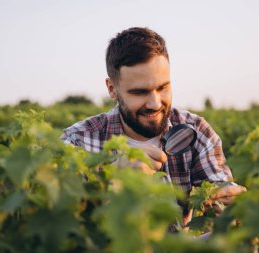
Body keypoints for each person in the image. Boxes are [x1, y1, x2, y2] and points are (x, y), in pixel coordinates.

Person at [61, 27, 246, 226]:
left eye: (162, 87)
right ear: (112, 90)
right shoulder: (77, 141)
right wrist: (111, 182)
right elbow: (68, 221)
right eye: (140, 92)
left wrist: (227, 200)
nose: (155, 103)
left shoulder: (196, 130)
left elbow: (218, 185)